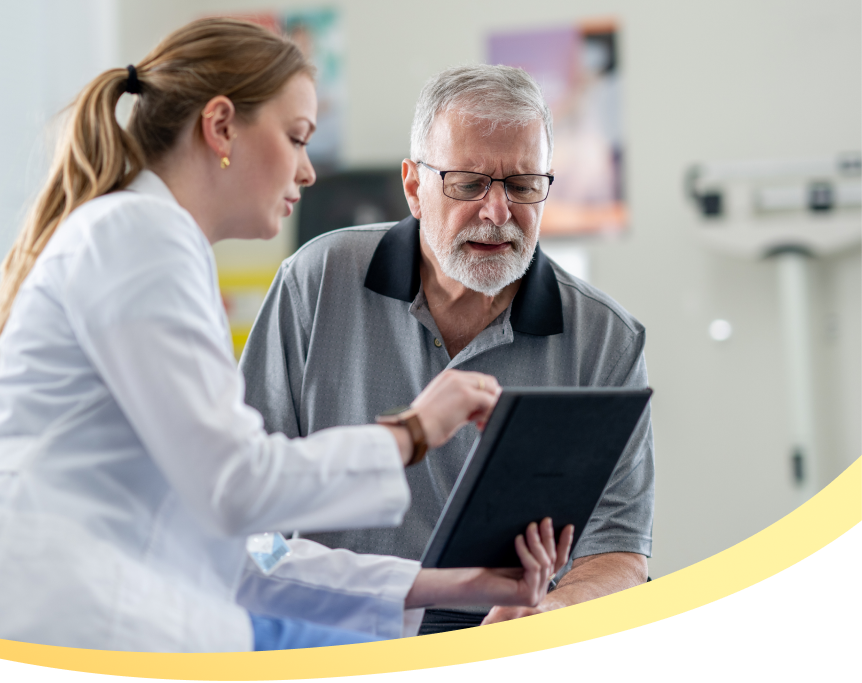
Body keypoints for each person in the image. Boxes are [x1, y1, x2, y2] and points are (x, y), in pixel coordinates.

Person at [0, 20, 573, 652]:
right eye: (297, 136)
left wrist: (462, 582)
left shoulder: (159, 247)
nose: (307, 169)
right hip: (37, 607)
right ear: (220, 126)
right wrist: (414, 431)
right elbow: (237, 486)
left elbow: (248, 548)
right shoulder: (136, 236)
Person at [240, 64, 654, 635]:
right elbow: (244, 505)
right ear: (414, 186)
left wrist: (544, 615)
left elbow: (621, 555)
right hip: (327, 627)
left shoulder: (607, 338)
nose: (497, 212)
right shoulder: (316, 280)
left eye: (523, 185)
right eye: (468, 183)